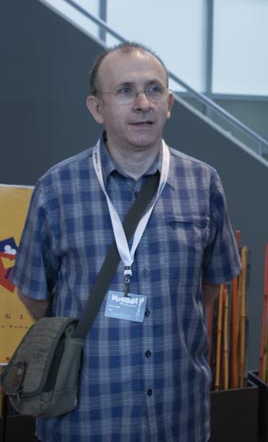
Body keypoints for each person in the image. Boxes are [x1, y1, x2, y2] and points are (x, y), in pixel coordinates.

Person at [12, 41, 241, 442]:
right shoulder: (57, 189)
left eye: (154, 90)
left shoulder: (203, 183)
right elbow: (33, 295)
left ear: (169, 104)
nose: (143, 103)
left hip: (179, 418)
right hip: (86, 420)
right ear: (96, 108)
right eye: (125, 91)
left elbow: (209, 286)